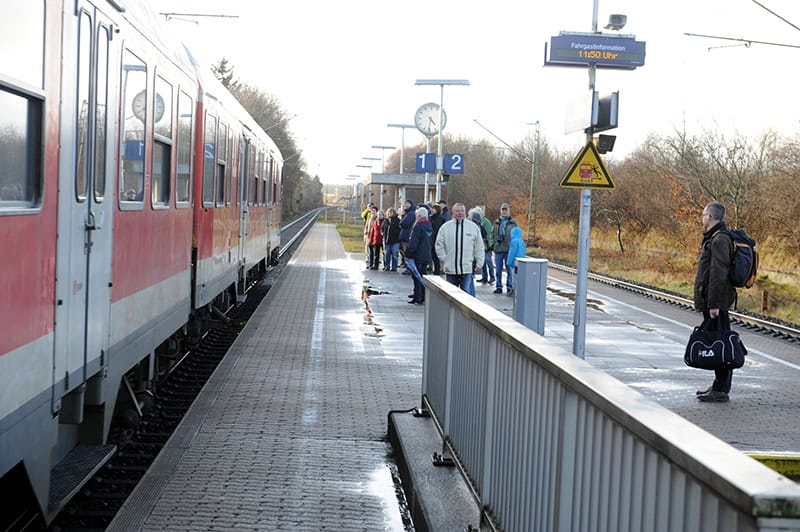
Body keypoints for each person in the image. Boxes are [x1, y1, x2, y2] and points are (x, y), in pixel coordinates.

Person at [694, 201, 737, 403]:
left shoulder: (719, 239)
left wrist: (713, 305)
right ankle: (718, 386)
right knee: (717, 342)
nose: (702, 218)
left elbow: (718, 274)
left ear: (710, 216)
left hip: (716, 303)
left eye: (703, 214)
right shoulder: (715, 237)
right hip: (714, 301)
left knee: (721, 344)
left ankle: (721, 389)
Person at [435, 203, 484, 297]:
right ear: (453, 212)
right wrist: (445, 259)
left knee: (467, 295)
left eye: (462, 211)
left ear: (465, 212)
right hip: (451, 269)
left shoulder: (473, 228)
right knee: (451, 296)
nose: (460, 213)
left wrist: (479, 263)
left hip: (467, 269)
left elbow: (479, 247)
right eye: (457, 211)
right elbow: (439, 245)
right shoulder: (445, 228)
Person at [405, 207, 433, 304]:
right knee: (422, 276)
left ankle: (418, 296)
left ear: (419, 216)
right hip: (426, 255)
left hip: (418, 255)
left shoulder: (418, 226)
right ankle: (423, 296)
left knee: (416, 277)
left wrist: (408, 253)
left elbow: (414, 242)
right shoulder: (429, 225)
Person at [491, 203, 519, 294]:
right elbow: (491, 234)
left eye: (506, 210)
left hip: (509, 250)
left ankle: (509, 286)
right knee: (498, 270)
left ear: (509, 210)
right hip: (498, 249)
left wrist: (515, 247)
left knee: (509, 270)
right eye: (503, 210)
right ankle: (498, 286)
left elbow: (517, 235)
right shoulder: (496, 222)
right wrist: (493, 244)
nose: (504, 211)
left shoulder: (513, 223)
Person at [505, 226, 526, 296]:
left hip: (514, 262)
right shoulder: (521, 241)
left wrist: (508, 262)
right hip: (521, 262)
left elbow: (512, 253)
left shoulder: (513, 241)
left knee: (513, 277)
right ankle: (519, 290)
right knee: (519, 277)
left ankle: (513, 290)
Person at [479, 207, 495, 284]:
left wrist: (489, 245)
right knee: (483, 262)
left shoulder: (486, 222)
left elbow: (489, 234)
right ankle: (484, 277)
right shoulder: (481, 221)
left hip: (487, 245)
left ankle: (492, 276)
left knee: (488, 261)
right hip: (482, 245)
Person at [382, 207, 401, 271]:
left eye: (391, 212)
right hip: (387, 240)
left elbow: (399, 230)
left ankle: (394, 267)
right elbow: (383, 229)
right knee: (387, 254)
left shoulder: (397, 220)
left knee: (394, 254)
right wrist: (383, 234)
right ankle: (387, 266)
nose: (389, 213)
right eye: (389, 212)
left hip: (395, 240)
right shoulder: (386, 220)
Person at [398, 200, 416, 269]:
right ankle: (406, 265)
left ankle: (409, 267)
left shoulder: (411, 213)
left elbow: (404, 223)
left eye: (407, 203)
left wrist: (401, 222)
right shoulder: (407, 213)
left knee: (406, 252)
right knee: (404, 252)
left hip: (407, 235)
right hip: (405, 235)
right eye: (405, 203)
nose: (405, 205)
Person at [429, 204, 445, 275]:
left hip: (436, 239)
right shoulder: (432, 218)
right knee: (434, 256)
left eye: (433, 209)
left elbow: (436, 230)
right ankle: (436, 270)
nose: (431, 210)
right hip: (433, 239)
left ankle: (437, 271)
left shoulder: (438, 218)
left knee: (435, 256)